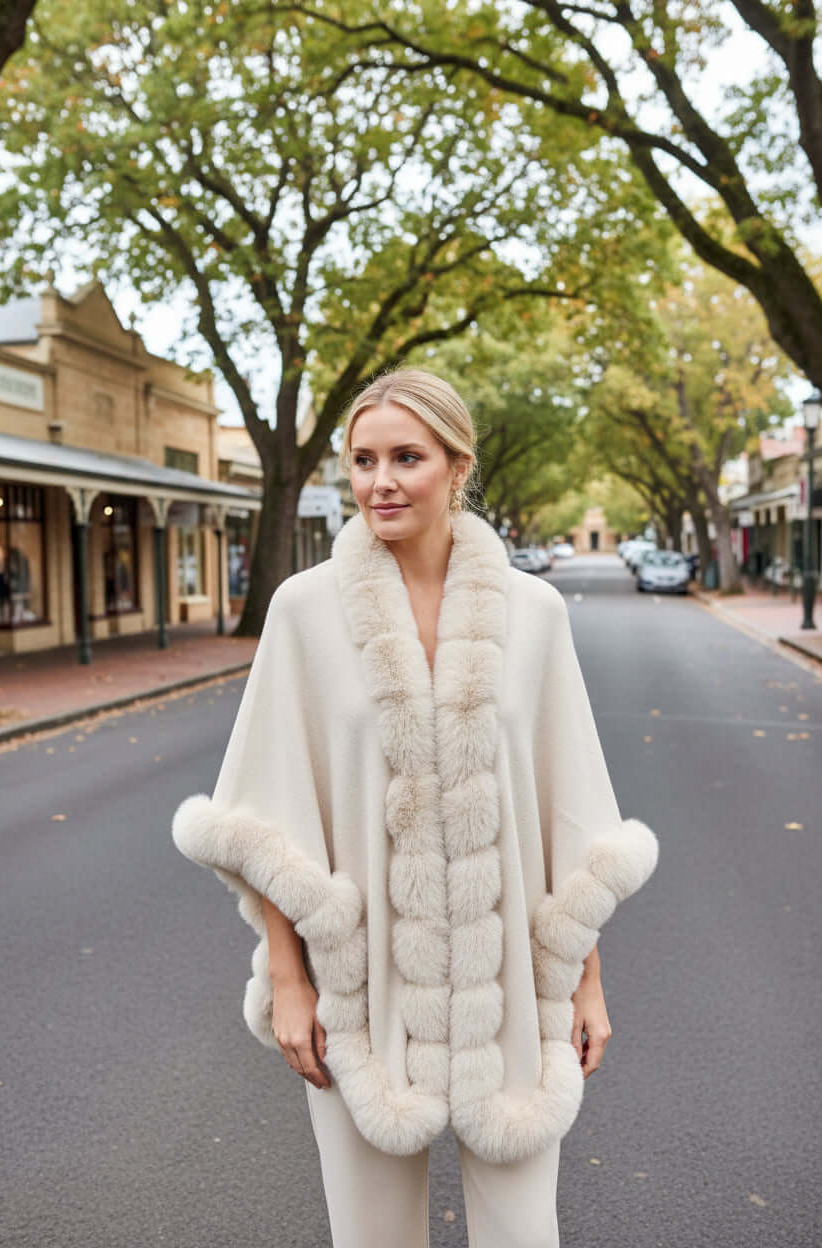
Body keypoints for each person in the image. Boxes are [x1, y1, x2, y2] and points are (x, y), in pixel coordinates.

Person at [172, 367, 659, 1247]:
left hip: (507, 977)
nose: (380, 481)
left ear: (457, 465)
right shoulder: (303, 611)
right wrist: (289, 984)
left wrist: (586, 983)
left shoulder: (537, 614)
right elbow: (270, 821)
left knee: (523, 1231)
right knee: (370, 1236)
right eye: (362, 460)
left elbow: (572, 819)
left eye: (407, 457)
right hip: (358, 986)